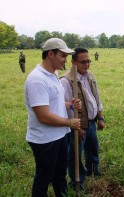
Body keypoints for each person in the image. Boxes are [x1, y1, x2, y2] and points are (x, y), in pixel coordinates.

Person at [24, 37, 82, 197]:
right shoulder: (37, 80)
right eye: (63, 56)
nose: (66, 60)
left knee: (59, 175)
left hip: (59, 135)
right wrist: (70, 122)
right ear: (51, 54)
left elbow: (52, 105)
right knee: (44, 177)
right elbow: (43, 116)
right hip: (45, 139)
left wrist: (68, 105)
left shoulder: (53, 74)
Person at [60, 48, 105, 189]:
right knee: (75, 155)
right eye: (83, 62)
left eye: (88, 61)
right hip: (77, 125)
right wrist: (76, 127)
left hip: (91, 122)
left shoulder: (90, 76)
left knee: (93, 149)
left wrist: (101, 117)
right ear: (73, 62)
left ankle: (93, 170)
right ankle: (77, 182)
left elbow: (96, 98)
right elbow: (65, 109)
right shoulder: (66, 81)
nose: (86, 65)